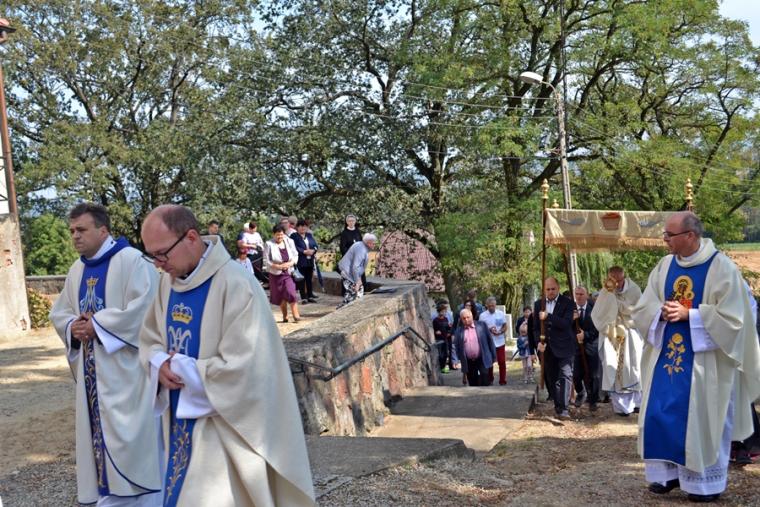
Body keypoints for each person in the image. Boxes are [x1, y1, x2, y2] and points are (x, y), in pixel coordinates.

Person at [139, 204, 315, 507]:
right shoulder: (167, 284)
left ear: (191, 237)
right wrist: (158, 362)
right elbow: (149, 337)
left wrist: (178, 366)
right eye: (151, 255)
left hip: (224, 430)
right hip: (178, 423)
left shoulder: (236, 283)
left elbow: (246, 368)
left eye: (162, 254)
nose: (158, 264)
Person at [632, 211, 760, 502]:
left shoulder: (721, 267)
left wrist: (690, 315)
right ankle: (666, 476)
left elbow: (736, 318)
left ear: (690, 236)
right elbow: (643, 306)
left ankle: (704, 485)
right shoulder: (664, 266)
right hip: (667, 359)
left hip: (706, 364)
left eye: (669, 235)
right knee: (659, 413)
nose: (664, 239)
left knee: (702, 421)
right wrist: (659, 312)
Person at [49, 203, 162, 506]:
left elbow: (147, 310)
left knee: (135, 449)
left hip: (127, 374)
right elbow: (60, 312)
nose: (75, 236)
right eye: (72, 231)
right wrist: (73, 326)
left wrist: (98, 325)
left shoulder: (133, 261)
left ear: (103, 230)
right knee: (98, 445)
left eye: (81, 230)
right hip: (93, 377)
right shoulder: (77, 270)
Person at [591, 266, 643, 416]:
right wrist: (610, 299)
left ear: (623, 277)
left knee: (632, 367)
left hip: (629, 332)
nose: (617, 284)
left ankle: (637, 403)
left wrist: (619, 304)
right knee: (613, 367)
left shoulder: (634, 290)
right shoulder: (605, 291)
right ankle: (621, 407)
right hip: (612, 334)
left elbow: (638, 310)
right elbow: (598, 313)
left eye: (619, 280)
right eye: (613, 280)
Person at [531, 277, 576, 419]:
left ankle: (564, 409)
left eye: (553, 289)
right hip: (548, 348)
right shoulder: (538, 304)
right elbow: (535, 327)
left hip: (565, 346)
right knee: (553, 378)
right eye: (548, 289)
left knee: (566, 375)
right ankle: (558, 406)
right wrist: (538, 342)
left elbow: (566, 323)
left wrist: (548, 316)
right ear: (544, 290)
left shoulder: (568, 303)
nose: (550, 292)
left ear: (558, 288)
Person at [265, 224, 301, 323]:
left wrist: (290, 263)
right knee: (280, 296)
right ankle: (285, 315)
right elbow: (266, 261)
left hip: (288, 272)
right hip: (275, 274)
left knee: (291, 292)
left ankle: (296, 314)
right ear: (273, 234)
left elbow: (295, 255)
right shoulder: (269, 244)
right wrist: (277, 266)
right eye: (277, 235)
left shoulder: (290, 241)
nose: (280, 237)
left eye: (281, 234)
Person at [572, 285, 600, 412]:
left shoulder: (594, 308)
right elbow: (565, 328)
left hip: (591, 345)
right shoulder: (571, 309)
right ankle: (581, 392)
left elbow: (598, 328)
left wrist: (586, 335)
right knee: (576, 375)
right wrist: (572, 320)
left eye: (581, 294)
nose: (579, 297)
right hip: (577, 347)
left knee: (594, 375)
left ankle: (593, 400)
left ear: (587, 295)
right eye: (577, 294)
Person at [453, 308, 496, 387]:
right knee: (473, 383)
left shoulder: (482, 325)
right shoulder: (459, 331)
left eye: (468, 317)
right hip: (468, 361)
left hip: (482, 358)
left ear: (472, 316)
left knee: (485, 380)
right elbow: (455, 346)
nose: (466, 320)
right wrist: (455, 360)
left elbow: (490, 340)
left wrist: (493, 355)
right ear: (461, 319)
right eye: (464, 318)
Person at [337, 233, 376, 307]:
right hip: (348, 272)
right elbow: (356, 267)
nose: (375, 245)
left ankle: (345, 308)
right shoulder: (361, 250)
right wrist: (357, 282)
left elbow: (358, 266)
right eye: (373, 243)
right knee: (356, 292)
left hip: (347, 270)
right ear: (369, 243)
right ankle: (345, 309)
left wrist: (359, 279)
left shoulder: (360, 245)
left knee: (353, 293)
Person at [479, 296, 508, 385]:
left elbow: (505, 326)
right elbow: (480, 329)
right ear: (486, 306)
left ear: (496, 305)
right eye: (490, 306)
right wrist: (489, 330)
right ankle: (490, 379)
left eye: (493, 306)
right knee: (490, 362)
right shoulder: (482, 316)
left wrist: (500, 331)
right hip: (489, 342)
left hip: (500, 341)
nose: (491, 307)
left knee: (502, 361)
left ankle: (502, 380)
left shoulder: (500, 314)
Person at [292, 219, 319, 304]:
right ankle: (303, 297)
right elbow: (293, 246)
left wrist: (313, 250)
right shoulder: (294, 236)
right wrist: (303, 251)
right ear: (297, 227)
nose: (302, 228)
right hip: (300, 260)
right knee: (301, 279)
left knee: (309, 279)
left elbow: (315, 245)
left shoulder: (309, 235)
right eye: (300, 226)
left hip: (310, 260)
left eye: (304, 226)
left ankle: (310, 296)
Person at [432, 302, 453, 373]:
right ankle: (441, 367)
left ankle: (444, 367)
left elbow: (448, 328)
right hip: (439, 339)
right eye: (442, 311)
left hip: (445, 338)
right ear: (439, 311)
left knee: (446, 354)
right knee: (440, 355)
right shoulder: (435, 320)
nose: (444, 313)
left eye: (445, 311)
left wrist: (449, 330)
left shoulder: (446, 319)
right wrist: (436, 332)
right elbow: (433, 329)